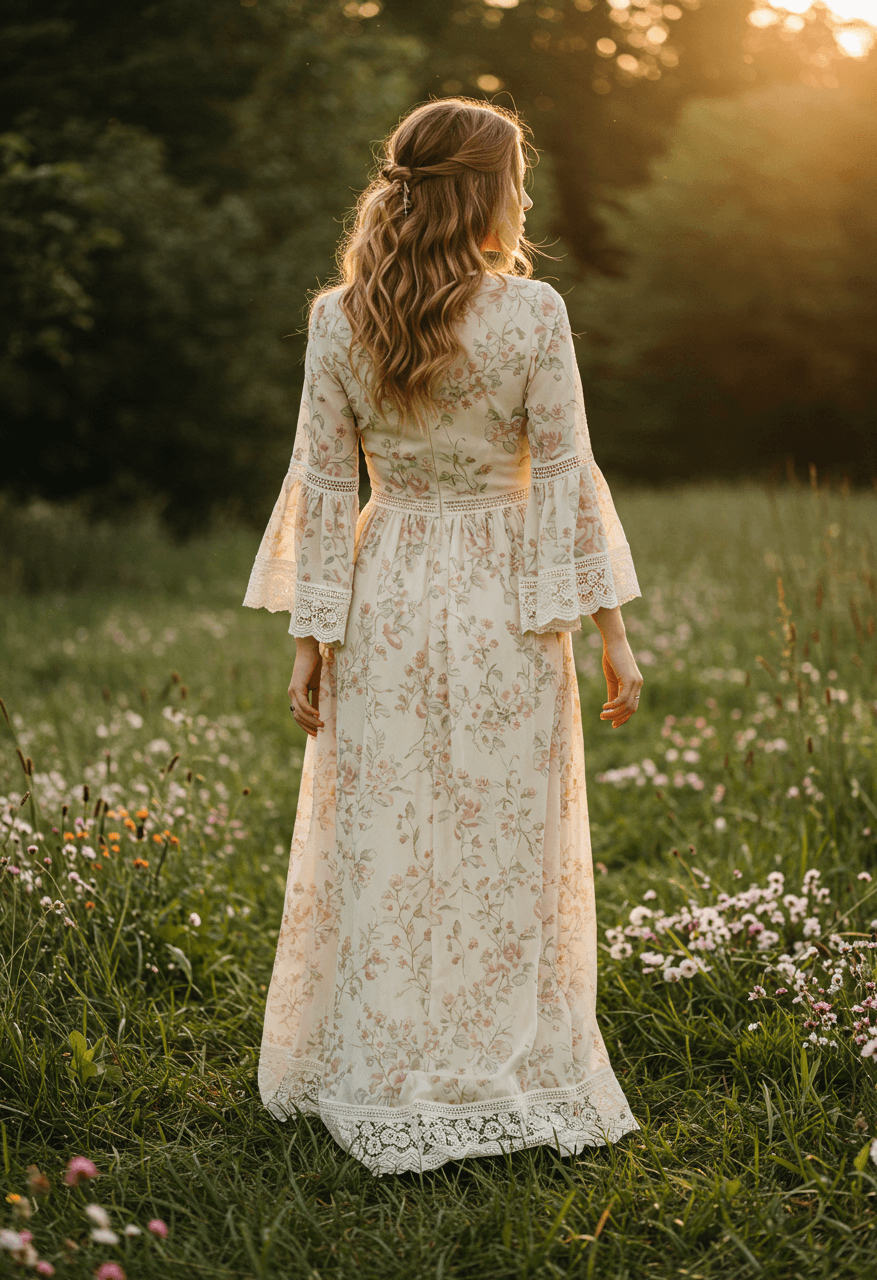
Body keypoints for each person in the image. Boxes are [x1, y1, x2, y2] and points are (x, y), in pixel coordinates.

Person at [242, 97, 644, 1177]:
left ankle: (381, 1048)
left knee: (385, 828)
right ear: (487, 190)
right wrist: (612, 633)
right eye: (517, 176)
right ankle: (493, 1057)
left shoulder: (340, 316)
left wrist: (311, 638)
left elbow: (327, 484)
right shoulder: (532, 313)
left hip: (385, 586)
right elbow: (562, 475)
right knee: (503, 829)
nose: (525, 195)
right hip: (506, 596)